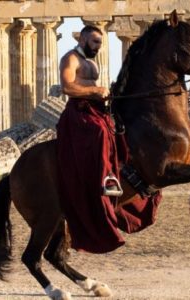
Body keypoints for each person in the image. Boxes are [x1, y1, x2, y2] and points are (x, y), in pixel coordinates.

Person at [56, 25, 125, 253]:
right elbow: (67, 87)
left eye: (101, 43)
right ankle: (107, 180)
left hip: (95, 107)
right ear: (83, 37)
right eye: (95, 42)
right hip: (78, 111)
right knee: (100, 132)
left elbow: (93, 86)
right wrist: (94, 92)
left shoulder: (91, 61)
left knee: (119, 130)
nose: (98, 47)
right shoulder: (71, 58)